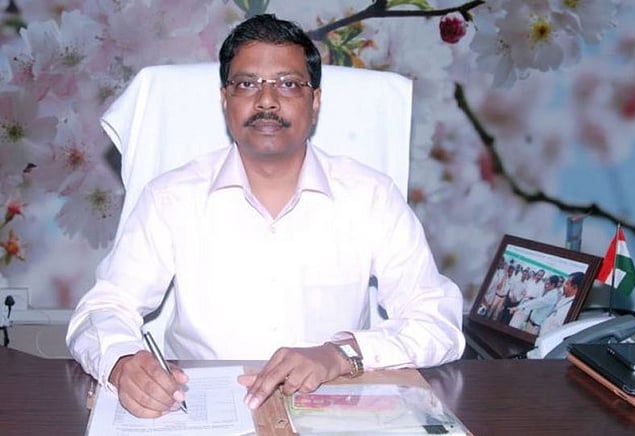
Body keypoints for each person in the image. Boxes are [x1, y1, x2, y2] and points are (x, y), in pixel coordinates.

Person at [65, 14, 464, 418]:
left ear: (315, 101)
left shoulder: (371, 197)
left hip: (333, 410)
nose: (267, 101)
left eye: (288, 84)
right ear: (225, 100)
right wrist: (121, 362)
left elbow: (437, 322)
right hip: (198, 412)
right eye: (247, 84)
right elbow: (102, 309)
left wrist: (340, 354)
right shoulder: (170, 198)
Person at [538, 272, 585, 337]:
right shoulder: (563, 297)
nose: (563, 286)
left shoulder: (572, 307)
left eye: (567, 283)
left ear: (575, 287)